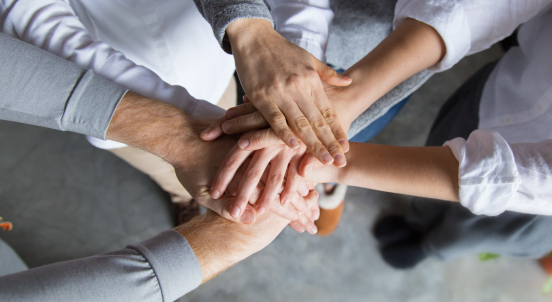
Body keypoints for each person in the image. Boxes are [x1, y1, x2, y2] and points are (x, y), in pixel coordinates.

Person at [208, 0, 552, 269]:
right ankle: (410, 216)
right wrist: (347, 98)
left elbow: (536, 181)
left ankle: (433, 249)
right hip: (498, 90)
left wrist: (321, 163)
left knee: (485, 228)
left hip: (541, 200)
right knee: (441, 143)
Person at [0, 0, 349, 224]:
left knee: (238, 148)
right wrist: (189, 132)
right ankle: (181, 195)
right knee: (161, 162)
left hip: (212, 60)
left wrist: (297, 65)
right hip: (114, 98)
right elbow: (44, 28)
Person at [0, 33, 319, 300]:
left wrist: (179, 138)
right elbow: (40, 20)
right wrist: (217, 244)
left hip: (197, 63)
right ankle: (185, 195)